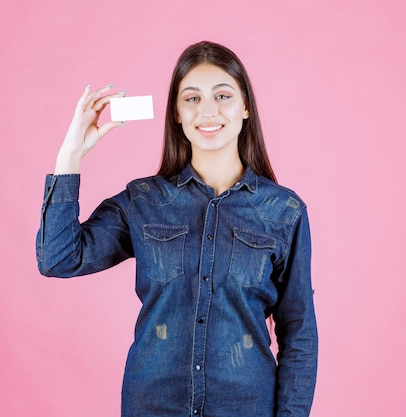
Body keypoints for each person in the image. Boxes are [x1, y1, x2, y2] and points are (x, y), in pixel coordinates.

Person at [36, 41, 318, 417]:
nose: (208, 111)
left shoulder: (284, 211)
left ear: (246, 107)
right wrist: (70, 155)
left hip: (246, 406)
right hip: (152, 405)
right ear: (176, 114)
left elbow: (299, 334)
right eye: (192, 98)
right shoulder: (144, 201)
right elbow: (58, 259)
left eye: (223, 95)